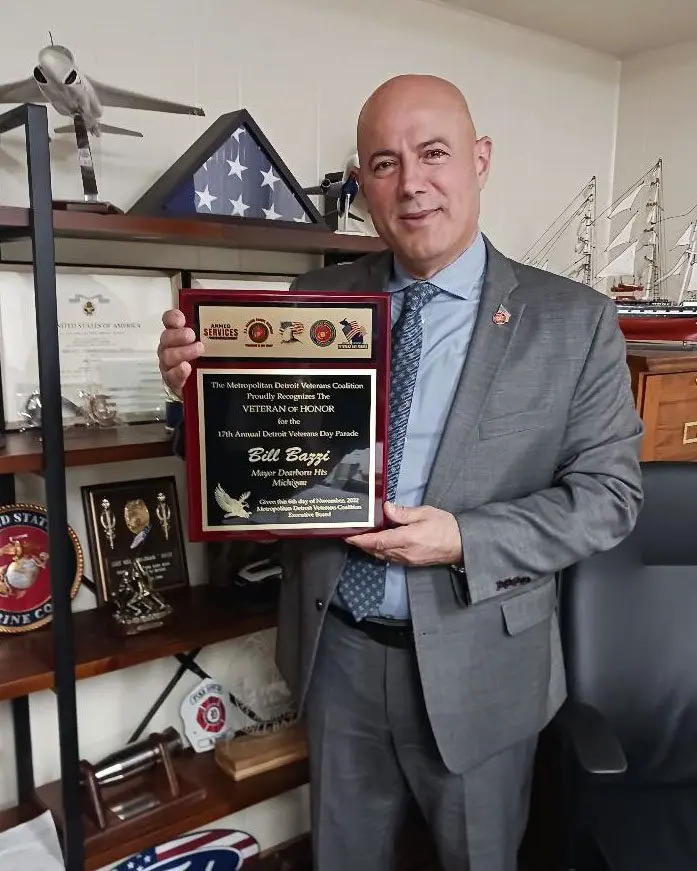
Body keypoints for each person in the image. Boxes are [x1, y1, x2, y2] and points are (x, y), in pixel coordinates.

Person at [158, 74, 644, 871]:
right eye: (383, 163)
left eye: (432, 153)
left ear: (478, 160)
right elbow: (264, 465)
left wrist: (465, 536)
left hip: (481, 658)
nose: (411, 183)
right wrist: (196, 398)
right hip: (336, 651)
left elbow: (609, 499)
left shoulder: (573, 320)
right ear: (363, 182)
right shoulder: (314, 298)